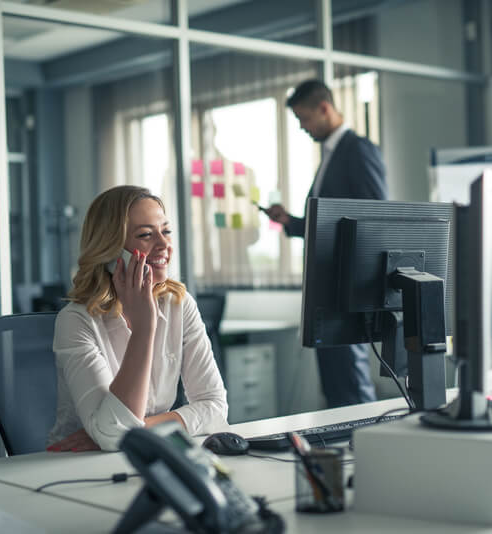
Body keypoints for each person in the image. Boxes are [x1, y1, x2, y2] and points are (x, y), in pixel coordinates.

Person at [47, 185, 227, 452]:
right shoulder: (76, 321)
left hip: (150, 453)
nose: (164, 245)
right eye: (145, 235)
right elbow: (113, 436)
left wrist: (138, 427)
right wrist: (145, 327)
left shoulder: (178, 304)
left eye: (166, 231)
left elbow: (215, 407)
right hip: (75, 467)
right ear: (110, 251)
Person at [266, 79, 388, 408]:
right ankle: (342, 451)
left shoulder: (357, 149)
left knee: (349, 380)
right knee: (335, 380)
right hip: (327, 285)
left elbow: (373, 216)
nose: (302, 127)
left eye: (303, 118)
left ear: (324, 108)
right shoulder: (332, 155)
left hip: (345, 286)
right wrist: (291, 222)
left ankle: (361, 449)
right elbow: (331, 220)